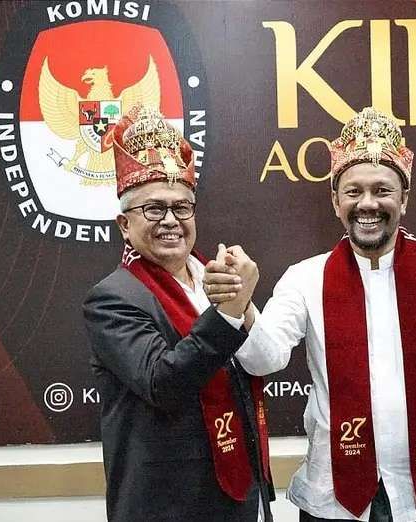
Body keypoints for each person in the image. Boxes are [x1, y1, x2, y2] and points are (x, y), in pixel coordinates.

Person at [205, 107, 416, 522]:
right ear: (335, 201)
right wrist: (240, 304)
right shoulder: (305, 278)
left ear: (404, 199)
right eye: (354, 191)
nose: (368, 204)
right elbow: (264, 359)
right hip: (332, 500)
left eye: (382, 190)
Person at [82, 105, 273, 522]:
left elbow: (265, 361)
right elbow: (163, 383)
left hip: (237, 496)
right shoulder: (111, 299)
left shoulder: (214, 276)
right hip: (165, 507)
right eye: (154, 209)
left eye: (181, 207)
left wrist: (241, 305)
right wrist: (228, 313)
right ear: (124, 225)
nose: (170, 220)